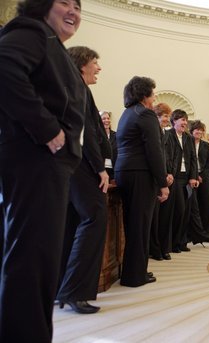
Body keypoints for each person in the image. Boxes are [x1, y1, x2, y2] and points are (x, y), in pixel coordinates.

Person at [0, 0, 85, 340]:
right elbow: (4, 68)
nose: (74, 11)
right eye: (64, 1)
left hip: (47, 164)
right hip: (34, 159)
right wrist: (47, 128)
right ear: (41, 6)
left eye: (79, 6)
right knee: (31, 261)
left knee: (39, 260)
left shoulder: (53, 45)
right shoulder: (33, 33)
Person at [57, 46, 111, 314]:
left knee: (71, 223)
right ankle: (74, 291)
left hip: (67, 166)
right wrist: (100, 168)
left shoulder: (68, 86)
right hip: (80, 166)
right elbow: (86, 133)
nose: (98, 68)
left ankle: (61, 288)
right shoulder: (78, 88)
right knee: (95, 218)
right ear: (82, 65)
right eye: (95, 62)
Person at [115, 76, 169, 287]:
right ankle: (135, 276)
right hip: (140, 174)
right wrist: (163, 183)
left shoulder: (126, 114)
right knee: (140, 225)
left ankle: (133, 271)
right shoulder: (145, 114)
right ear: (144, 95)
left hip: (125, 171)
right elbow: (154, 152)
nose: (154, 99)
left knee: (132, 224)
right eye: (153, 94)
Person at [168, 109, 199, 253]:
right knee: (178, 211)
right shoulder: (167, 135)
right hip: (174, 178)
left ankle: (181, 242)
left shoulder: (188, 138)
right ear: (174, 121)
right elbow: (166, 157)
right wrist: (168, 173)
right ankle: (173, 243)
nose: (185, 123)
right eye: (182, 120)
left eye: (186, 120)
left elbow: (193, 159)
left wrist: (193, 177)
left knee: (186, 212)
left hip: (186, 179)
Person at [149, 103, 174, 261]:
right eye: (164, 116)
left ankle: (160, 247)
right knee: (153, 218)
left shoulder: (164, 133)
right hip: (154, 179)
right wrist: (162, 177)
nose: (167, 119)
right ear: (157, 116)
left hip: (164, 176)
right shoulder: (153, 131)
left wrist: (168, 173)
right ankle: (154, 249)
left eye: (167, 116)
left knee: (161, 217)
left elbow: (165, 156)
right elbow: (154, 156)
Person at [191, 121, 209, 242]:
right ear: (192, 131)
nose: (199, 132)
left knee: (207, 205)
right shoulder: (187, 142)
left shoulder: (206, 145)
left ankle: (208, 234)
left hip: (204, 179)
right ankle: (193, 234)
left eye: (201, 130)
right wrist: (195, 175)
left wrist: (201, 175)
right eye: (197, 129)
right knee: (193, 207)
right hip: (190, 178)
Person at [100, 110, 117, 180]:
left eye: (108, 118)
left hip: (115, 171)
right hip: (102, 172)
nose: (107, 120)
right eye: (104, 119)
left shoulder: (116, 135)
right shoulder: (96, 137)